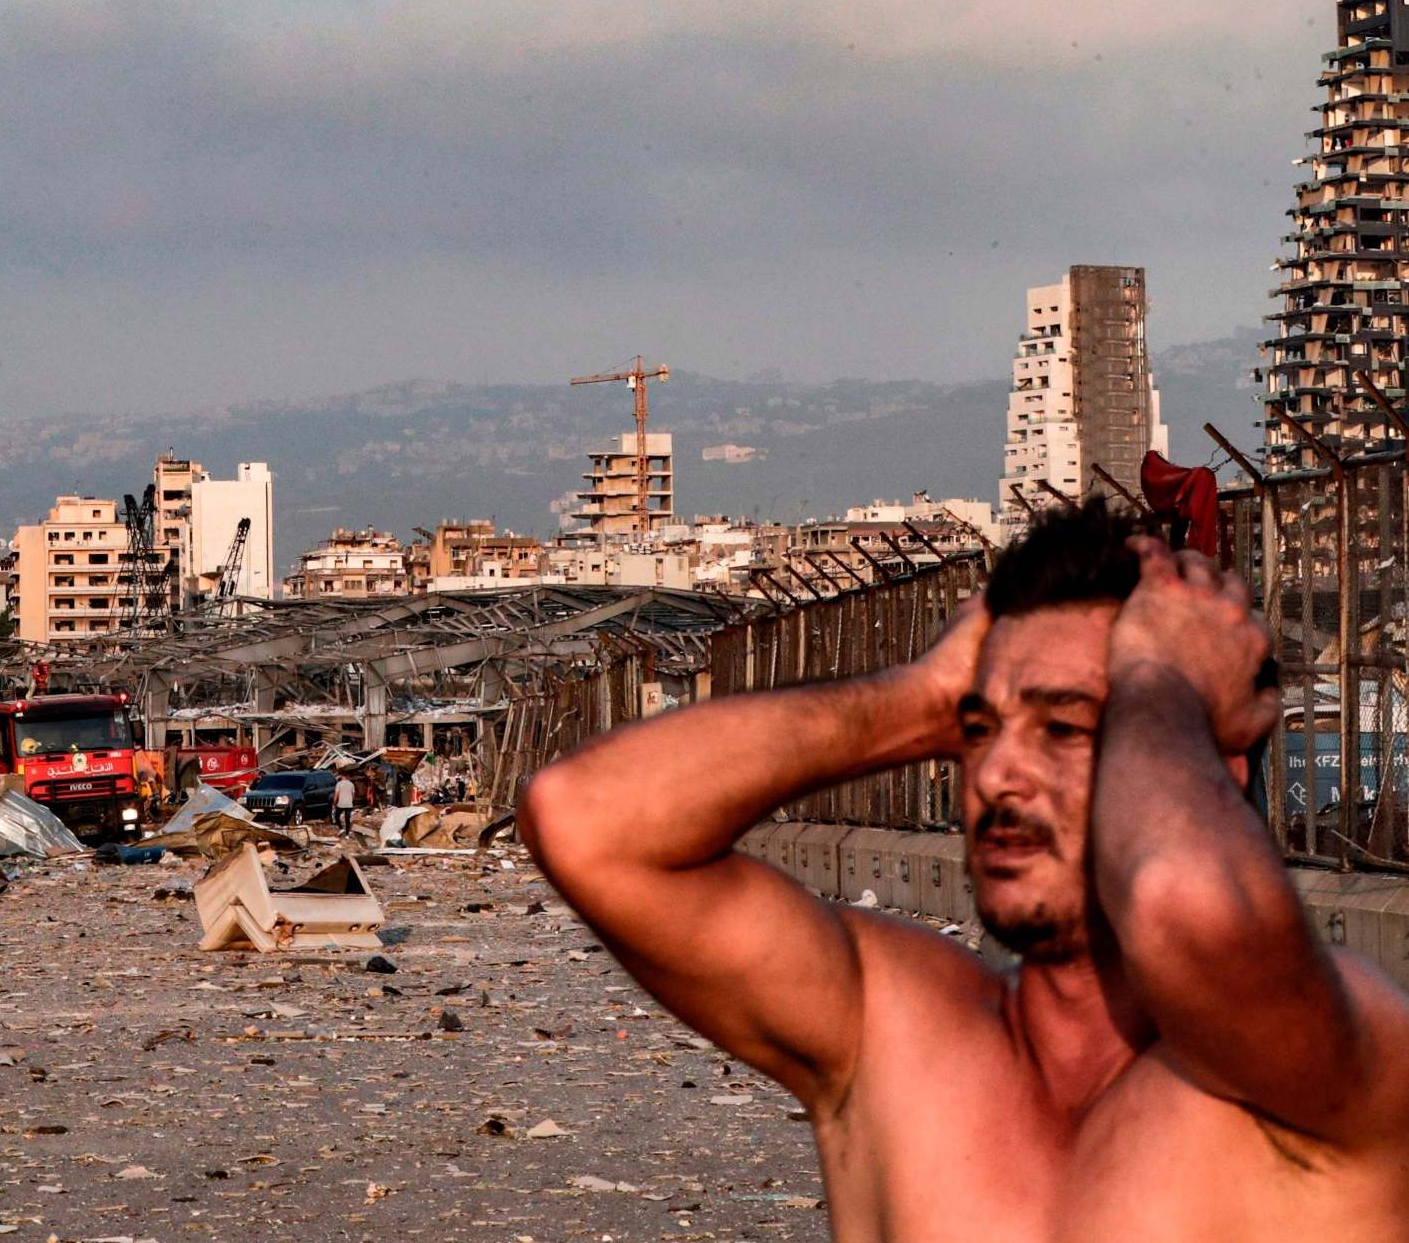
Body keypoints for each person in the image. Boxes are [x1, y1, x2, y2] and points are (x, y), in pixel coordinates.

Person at [521, 501, 1409, 1238]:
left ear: (1205, 764)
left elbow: (1183, 904)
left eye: (1067, 727)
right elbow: (584, 820)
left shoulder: (1320, 1066)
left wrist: (1160, 680)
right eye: (977, 734)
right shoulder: (893, 1033)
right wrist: (926, 695)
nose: (994, 775)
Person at [332, 769, 356, 836]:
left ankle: (341, 828)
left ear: (341, 776)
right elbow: (353, 795)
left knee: (336, 816)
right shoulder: (351, 784)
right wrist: (351, 801)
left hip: (341, 804)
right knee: (347, 819)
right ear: (347, 776)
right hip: (349, 804)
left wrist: (334, 803)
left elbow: (336, 795)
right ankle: (347, 835)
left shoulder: (339, 784)